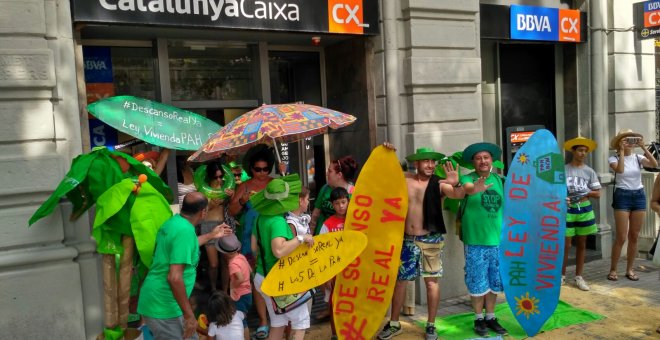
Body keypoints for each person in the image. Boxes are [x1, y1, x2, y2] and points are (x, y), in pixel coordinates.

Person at [378, 146, 464, 340]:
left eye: (433, 162)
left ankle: (431, 325)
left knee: (432, 282)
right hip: (407, 239)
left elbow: (457, 195)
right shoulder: (405, 179)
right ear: (416, 163)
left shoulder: (439, 183)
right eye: (426, 161)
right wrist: (387, 151)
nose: (431, 165)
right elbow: (384, 171)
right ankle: (394, 323)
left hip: (431, 240)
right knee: (400, 282)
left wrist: (456, 184)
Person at [137, 192, 232, 339]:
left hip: (165, 304)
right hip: (163, 307)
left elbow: (186, 247)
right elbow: (174, 278)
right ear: (203, 212)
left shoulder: (175, 223)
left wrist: (211, 235)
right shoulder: (184, 231)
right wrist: (189, 316)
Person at [250, 175, 315, 340]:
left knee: (278, 322)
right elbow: (278, 250)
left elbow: (253, 248)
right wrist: (301, 238)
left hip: (261, 277)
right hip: (278, 280)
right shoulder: (278, 221)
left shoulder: (260, 218)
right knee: (301, 321)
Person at [228, 144, 278, 339]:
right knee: (257, 279)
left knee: (275, 275)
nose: (262, 173)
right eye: (258, 169)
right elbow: (232, 212)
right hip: (250, 236)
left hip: (273, 234)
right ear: (252, 169)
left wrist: (282, 178)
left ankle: (278, 318)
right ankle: (264, 321)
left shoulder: (276, 183)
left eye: (266, 169)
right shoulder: (245, 186)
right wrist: (242, 201)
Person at [457, 142, 508, 337]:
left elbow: (524, 197)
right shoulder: (467, 178)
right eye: (478, 158)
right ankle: (479, 318)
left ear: (492, 160)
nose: (483, 161)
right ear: (473, 162)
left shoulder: (501, 180)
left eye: (486, 157)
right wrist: (475, 188)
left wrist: (553, 199)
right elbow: (468, 189)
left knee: (494, 281)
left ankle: (491, 317)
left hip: (497, 241)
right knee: (477, 280)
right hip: (475, 241)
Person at [608, 129, 658, 281]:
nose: (629, 142)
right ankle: (613, 269)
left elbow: (655, 164)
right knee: (622, 236)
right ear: (619, 142)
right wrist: (622, 151)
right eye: (625, 139)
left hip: (638, 196)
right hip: (622, 196)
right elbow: (621, 170)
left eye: (631, 139)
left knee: (634, 236)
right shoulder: (613, 158)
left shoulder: (638, 157)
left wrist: (644, 147)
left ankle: (630, 269)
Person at [562, 137, 602, 291]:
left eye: (585, 151)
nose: (583, 153)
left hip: (584, 209)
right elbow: (555, 189)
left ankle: (579, 276)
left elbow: (598, 193)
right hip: (567, 209)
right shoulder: (564, 170)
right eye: (580, 150)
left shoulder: (589, 171)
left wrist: (587, 191)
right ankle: (561, 275)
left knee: (582, 244)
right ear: (573, 151)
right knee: (566, 244)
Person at [318, 187, 349, 339]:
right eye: (337, 203)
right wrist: (327, 276)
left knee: (352, 303)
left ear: (348, 201)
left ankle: (351, 332)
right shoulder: (327, 224)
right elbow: (322, 253)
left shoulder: (356, 221)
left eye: (344, 202)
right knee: (334, 304)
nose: (341, 206)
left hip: (353, 271)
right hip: (334, 272)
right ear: (332, 204)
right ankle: (335, 334)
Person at [199, 162, 235, 292]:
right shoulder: (204, 190)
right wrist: (212, 204)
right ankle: (214, 289)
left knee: (226, 261)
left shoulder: (226, 187)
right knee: (214, 264)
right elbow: (203, 212)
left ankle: (225, 291)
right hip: (209, 226)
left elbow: (231, 208)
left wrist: (231, 197)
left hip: (223, 225)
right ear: (209, 177)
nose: (219, 180)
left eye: (221, 176)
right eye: (215, 177)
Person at [215, 234, 252, 340]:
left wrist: (232, 286)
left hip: (239, 295)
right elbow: (249, 270)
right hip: (248, 293)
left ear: (224, 253)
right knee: (242, 318)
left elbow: (239, 278)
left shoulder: (232, 264)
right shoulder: (241, 257)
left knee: (240, 321)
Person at [310, 156, 359, 235]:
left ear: (339, 175)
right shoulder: (325, 189)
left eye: (329, 171)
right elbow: (315, 214)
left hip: (343, 235)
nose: (326, 174)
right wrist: (311, 233)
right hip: (322, 233)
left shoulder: (353, 192)